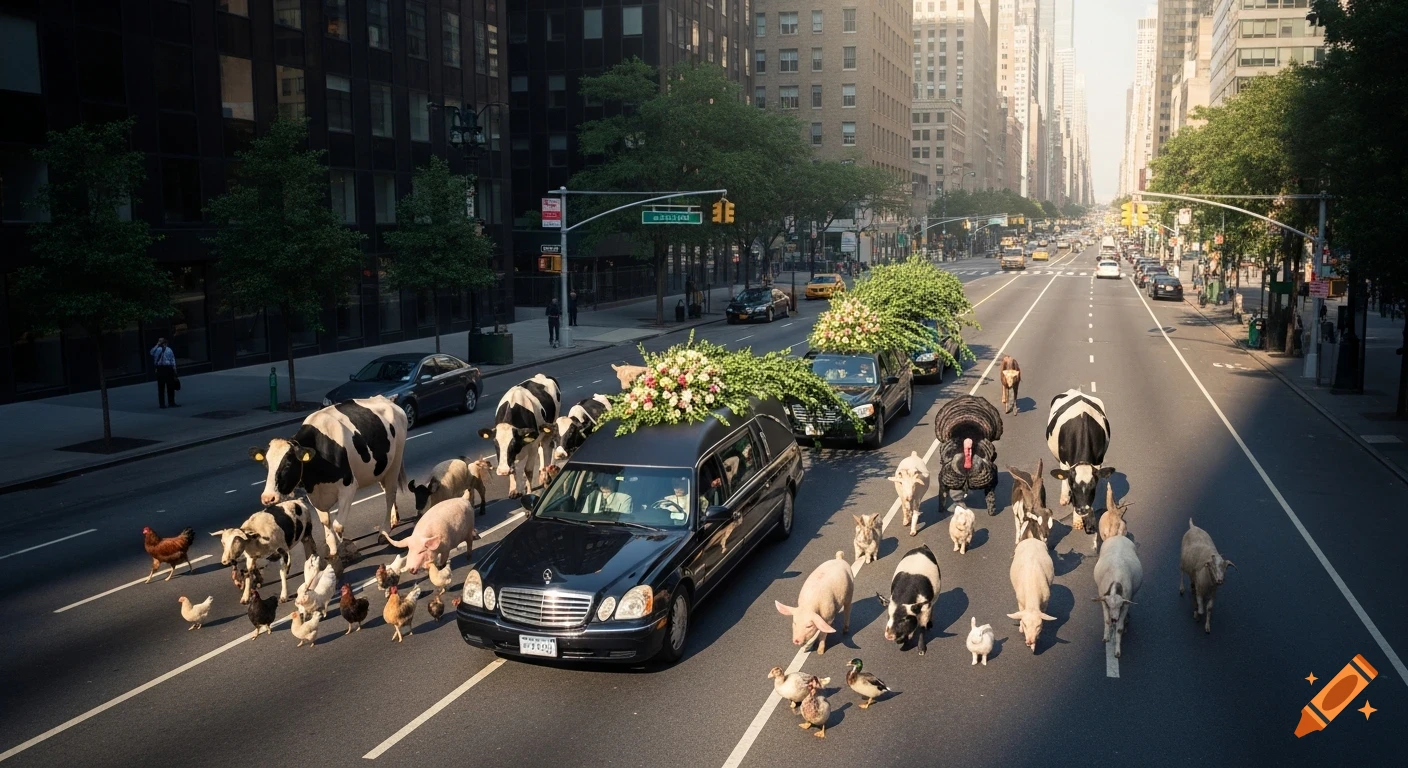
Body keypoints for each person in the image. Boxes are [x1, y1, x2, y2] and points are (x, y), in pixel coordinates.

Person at [150, 337, 178, 408]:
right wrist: (174, 370)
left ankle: (163, 404)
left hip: (162, 369)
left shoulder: (162, 349)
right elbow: (173, 360)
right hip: (166, 368)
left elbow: (151, 352)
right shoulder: (163, 349)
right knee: (168, 386)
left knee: (163, 387)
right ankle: (170, 402)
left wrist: (157, 345)